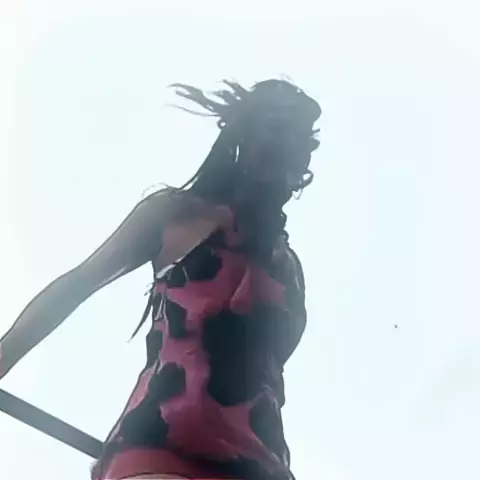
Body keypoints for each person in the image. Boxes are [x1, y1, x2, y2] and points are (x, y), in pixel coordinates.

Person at [0, 79, 321, 480]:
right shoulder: (176, 215)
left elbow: (269, 375)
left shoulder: (288, 270)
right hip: (161, 444)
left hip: (260, 463)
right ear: (245, 136)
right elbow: (76, 286)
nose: (283, 154)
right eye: (275, 133)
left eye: (296, 145)